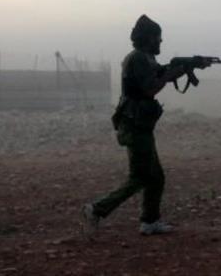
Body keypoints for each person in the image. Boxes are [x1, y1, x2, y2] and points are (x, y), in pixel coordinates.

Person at [82, 14, 194, 237]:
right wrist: (171, 75)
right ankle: (96, 209)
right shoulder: (138, 59)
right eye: (157, 38)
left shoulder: (145, 58)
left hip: (140, 125)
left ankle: (150, 222)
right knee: (140, 177)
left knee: (156, 176)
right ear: (147, 39)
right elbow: (149, 88)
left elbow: (158, 73)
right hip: (134, 125)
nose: (160, 42)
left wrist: (181, 69)